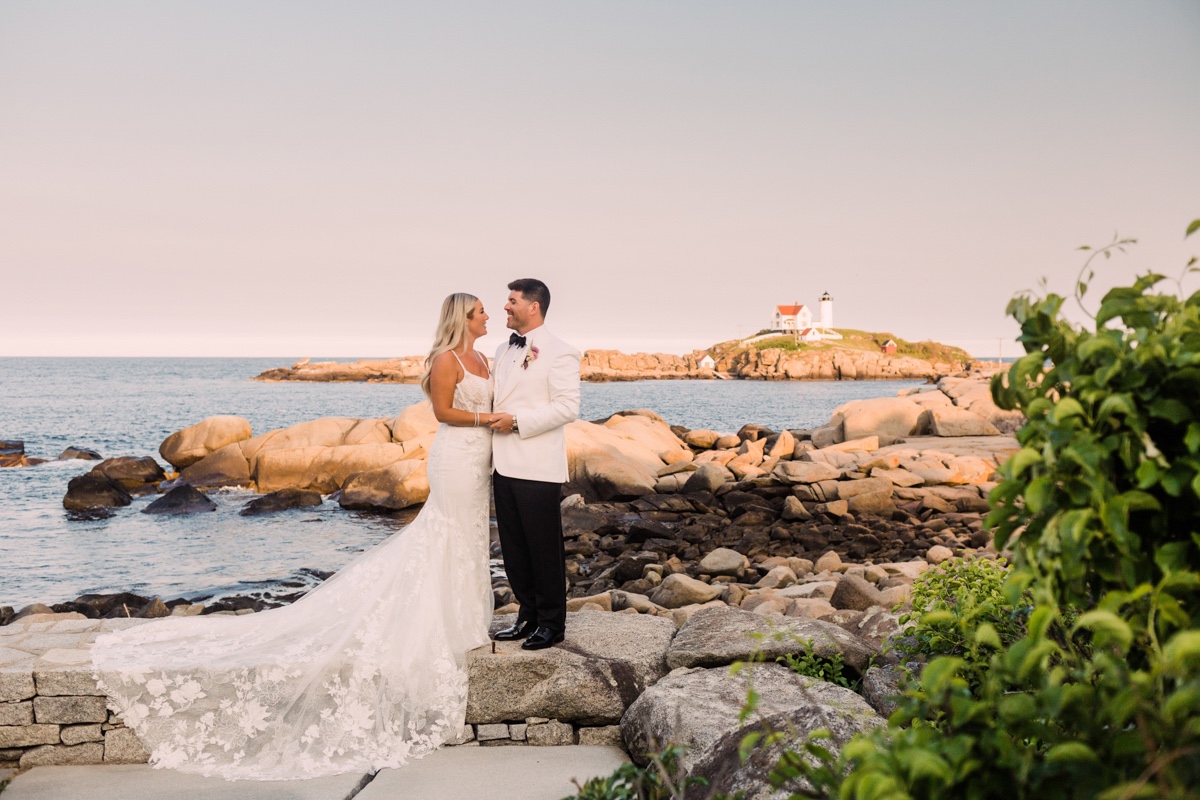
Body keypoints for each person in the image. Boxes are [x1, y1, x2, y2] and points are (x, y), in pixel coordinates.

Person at [91, 293, 499, 781]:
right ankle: (443, 619)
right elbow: (443, 412)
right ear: (463, 318)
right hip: (456, 454)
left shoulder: (484, 358)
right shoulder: (446, 360)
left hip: (480, 459)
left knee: (469, 534)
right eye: (480, 311)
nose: (488, 316)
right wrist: (490, 419)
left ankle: (466, 617)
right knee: (444, 531)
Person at [488, 278, 582, 650]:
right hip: (502, 464)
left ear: (533, 306)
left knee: (543, 547)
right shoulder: (502, 349)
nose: (505, 308)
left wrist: (517, 423)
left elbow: (567, 407)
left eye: (511, 301)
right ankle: (526, 615)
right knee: (513, 547)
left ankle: (551, 623)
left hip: (536, 464)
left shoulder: (560, 351)